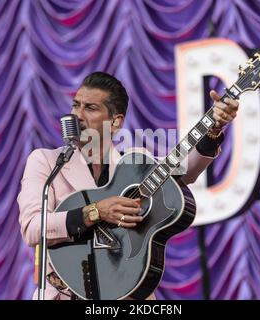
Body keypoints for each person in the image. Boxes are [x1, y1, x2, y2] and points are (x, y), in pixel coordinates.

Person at [17, 72, 239, 300]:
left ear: (115, 122)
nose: (77, 115)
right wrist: (95, 211)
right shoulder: (46, 161)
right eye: (76, 105)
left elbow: (182, 172)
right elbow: (33, 228)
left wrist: (213, 129)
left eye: (90, 108)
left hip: (129, 296)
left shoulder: (133, 164)